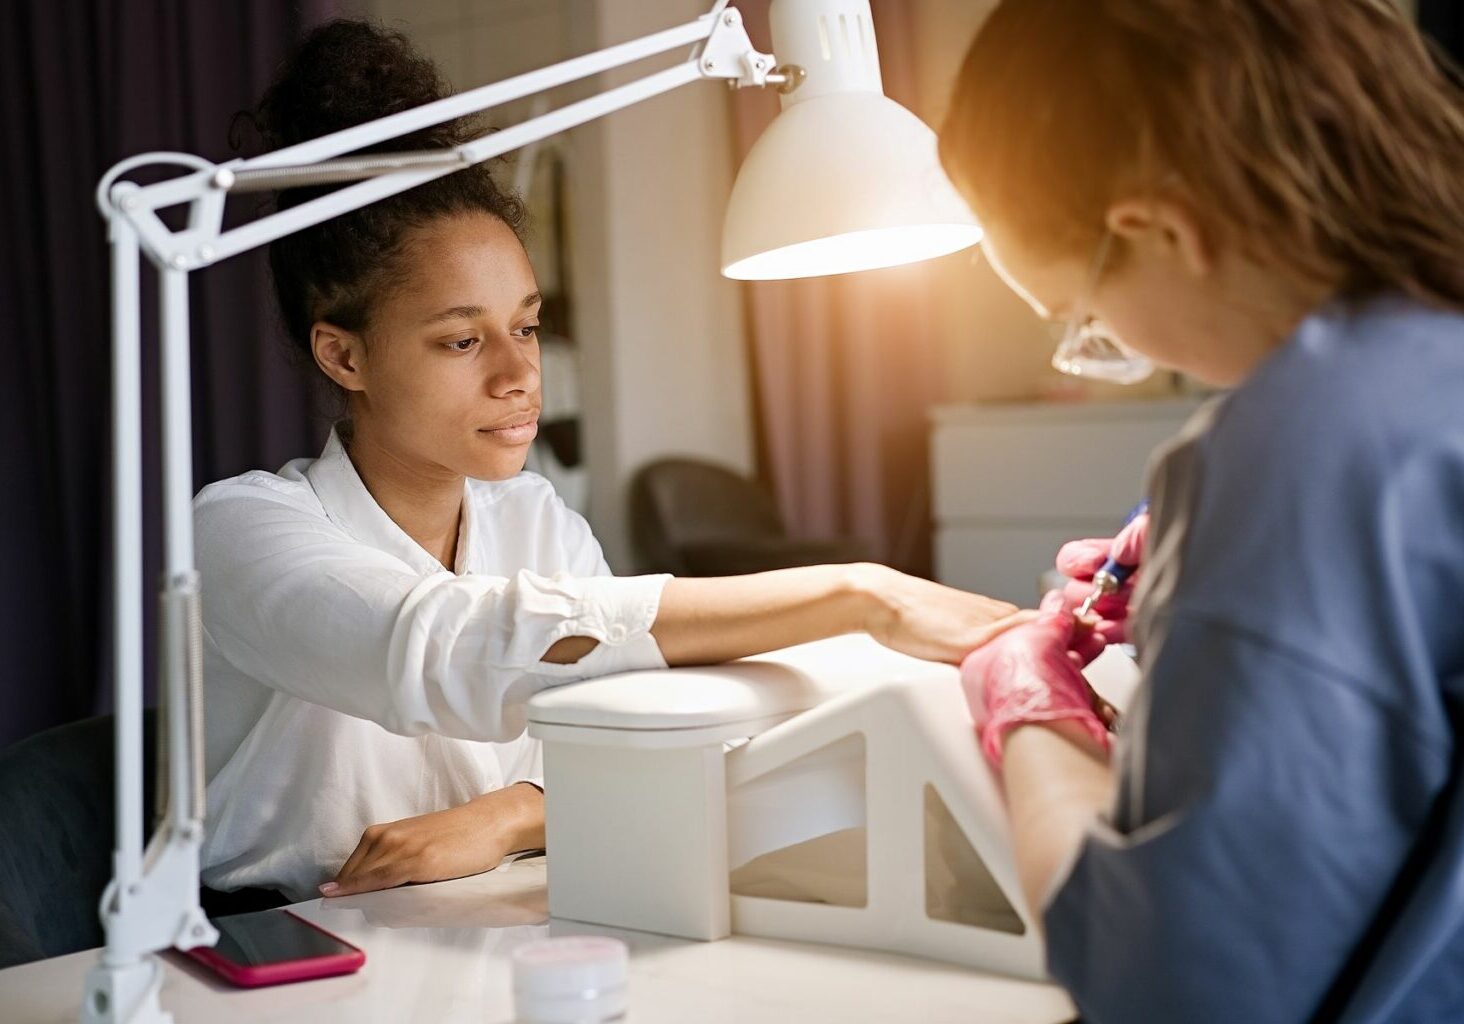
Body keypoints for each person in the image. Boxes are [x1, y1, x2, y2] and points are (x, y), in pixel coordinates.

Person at [196, 20, 1025, 906]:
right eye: (463, 339)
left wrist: (511, 815)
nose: (518, 375)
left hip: (495, 909)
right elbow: (444, 648)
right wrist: (857, 593)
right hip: (282, 934)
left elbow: (622, 731)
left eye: (526, 326)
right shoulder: (238, 532)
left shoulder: (532, 519)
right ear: (344, 356)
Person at [941, 1, 1464, 1020]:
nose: (1105, 350)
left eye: (1082, 316)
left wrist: (1027, 708)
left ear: (1159, 230)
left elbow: (1174, 989)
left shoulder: (1311, 445)